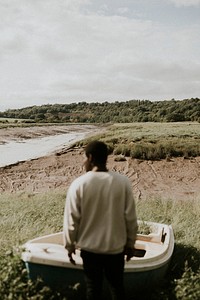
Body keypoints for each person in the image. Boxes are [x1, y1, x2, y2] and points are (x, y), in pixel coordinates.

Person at [63, 140, 138, 300]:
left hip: (90, 251)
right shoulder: (122, 182)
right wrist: (130, 244)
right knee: (117, 288)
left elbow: (72, 219)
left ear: (90, 158)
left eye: (83, 157)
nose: (83, 161)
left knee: (93, 290)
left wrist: (69, 246)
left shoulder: (79, 184)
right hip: (115, 249)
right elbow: (130, 218)